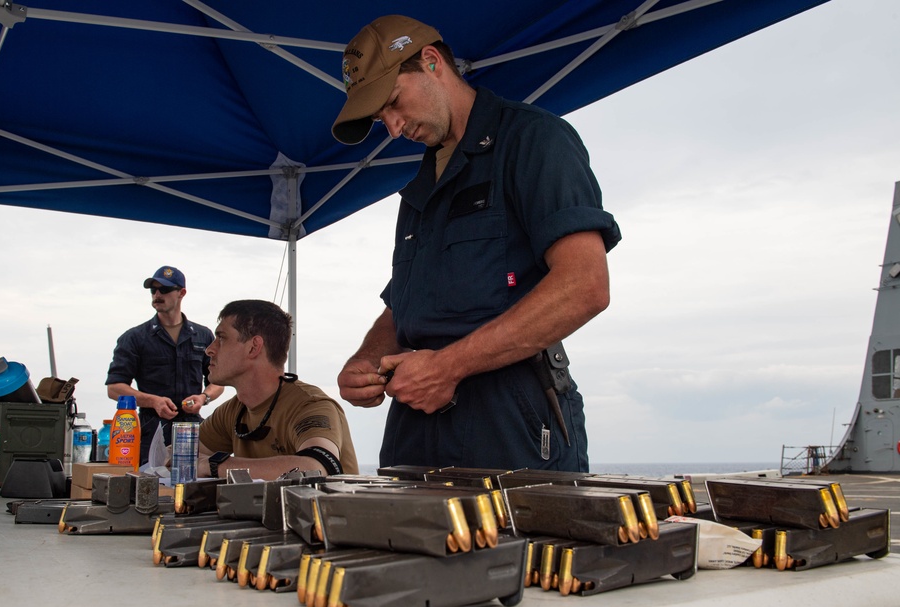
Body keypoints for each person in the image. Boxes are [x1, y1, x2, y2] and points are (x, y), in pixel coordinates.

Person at [333, 15, 622, 472]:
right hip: (414, 425)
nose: (392, 128)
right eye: (380, 118)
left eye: (393, 103)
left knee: (518, 546)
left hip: (511, 420)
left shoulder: (533, 140)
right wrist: (367, 360)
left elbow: (585, 286)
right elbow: (403, 305)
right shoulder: (418, 189)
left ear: (431, 62)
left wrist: (449, 367)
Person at [195, 299, 359, 480]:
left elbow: (317, 466)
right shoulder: (233, 411)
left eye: (221, 338)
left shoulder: (311, 405)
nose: (209, 350)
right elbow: (182, 455)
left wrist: (215, 466)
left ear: (253, 347)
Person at [106, 266, 223, 464]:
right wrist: (153, 401)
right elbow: (115, 389)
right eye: (154, 290)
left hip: (193, 432)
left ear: (182, 293)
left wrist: (204, 398)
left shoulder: (203, 336)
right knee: (149, 488)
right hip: (151, 433)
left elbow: (219, 381)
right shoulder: (134, 338)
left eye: (165, 290)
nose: (157, 294)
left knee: (197, 487)